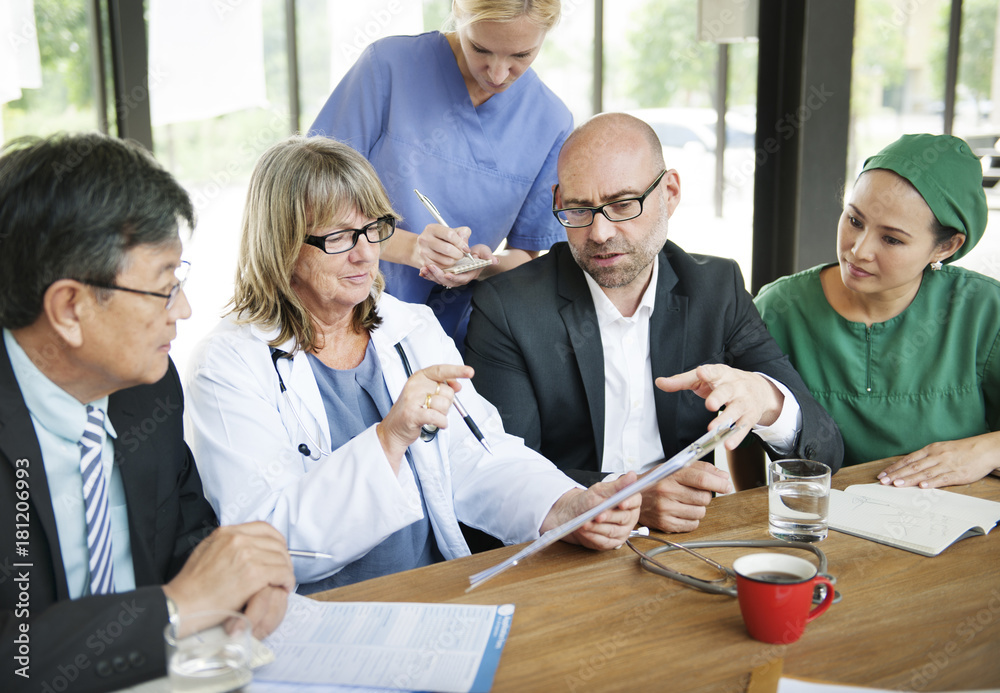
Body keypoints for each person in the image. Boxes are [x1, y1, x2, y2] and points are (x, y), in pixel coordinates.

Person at [185, 136, 640, 592]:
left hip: (431, 593)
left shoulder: (411, 328)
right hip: (318, 615)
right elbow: (267, 542)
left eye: (374, 228)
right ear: (281, 243)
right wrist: (388, 439)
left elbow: (479, 457)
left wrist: (566, 507)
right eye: (340, 236)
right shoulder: (227, 364)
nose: (365, 253)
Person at [0, 134, 295, 693]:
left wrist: (241, 583)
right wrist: (179, 605)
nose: (182, 311)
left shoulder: (146, 391)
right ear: (69, 307)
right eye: (165, 287)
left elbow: (184, 530)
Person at [465, 113, 844, 533]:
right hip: (562, 550)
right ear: (558, 202)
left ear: (671, 193)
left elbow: (824, 455)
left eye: (624, 204)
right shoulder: (508, 307)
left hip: (688, 542)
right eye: (578, 209)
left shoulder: (716, 290)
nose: (601, 232)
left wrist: (769, 400)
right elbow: (499, 474)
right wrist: (632, 498)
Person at [308, 0, 573, 346]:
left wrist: (481, 264)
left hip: (449, 335)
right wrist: (412, 248)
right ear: (457, 11)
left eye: (520, 56)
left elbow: (526, 256)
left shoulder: (551, 122)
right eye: (480, 48)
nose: (496, 73)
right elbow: (311, 198)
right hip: (340, 311)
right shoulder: (388, 66)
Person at [755, 133, 1000, 488]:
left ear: (945, 246)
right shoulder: (779, 309)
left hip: (963, 532)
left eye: (891, 239)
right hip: (821, 530)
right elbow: (742, 430)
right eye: (854, 220)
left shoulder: (984, 312)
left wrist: (988, 449)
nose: (859, 250)